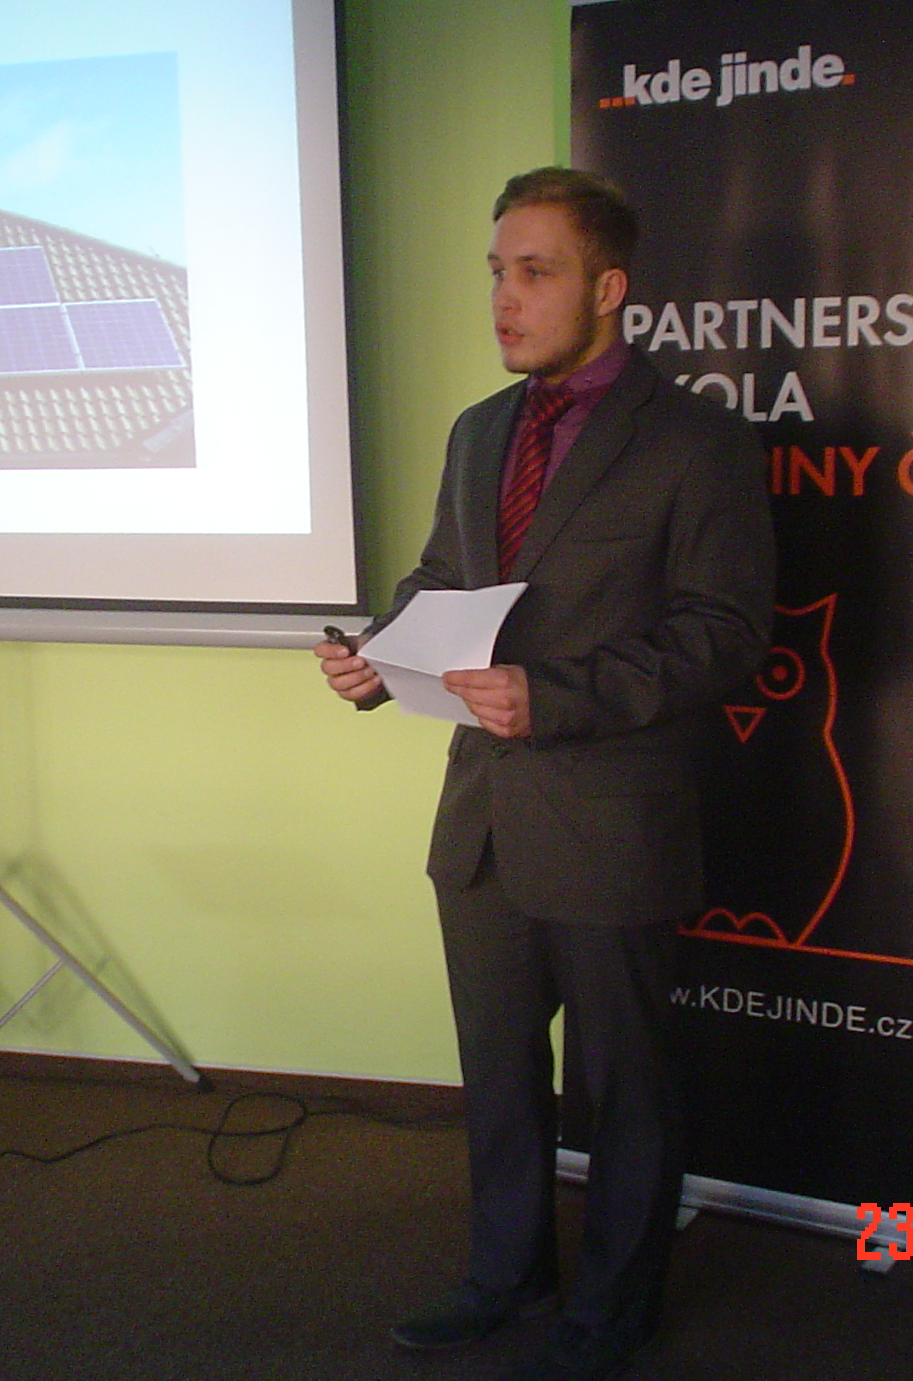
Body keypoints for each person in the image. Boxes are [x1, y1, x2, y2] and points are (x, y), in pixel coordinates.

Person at [316, 167, 773, 1381]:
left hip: (611, 815)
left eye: (534, 273)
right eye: (495, 272)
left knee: (624, 1085)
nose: (503, 299)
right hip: (480, 820)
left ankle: (615, 1305)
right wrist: (378, 655)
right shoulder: (479, 432)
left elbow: (725, 633)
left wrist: (554, 696)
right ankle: (503, 1273)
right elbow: (441, 580)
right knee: (499, 1075)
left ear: (607, 288)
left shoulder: (696, 441)